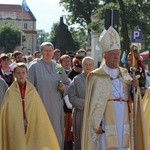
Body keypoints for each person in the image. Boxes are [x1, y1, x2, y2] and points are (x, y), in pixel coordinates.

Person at [81, 26, 147, 150]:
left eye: (117, 54)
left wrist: (135, 87)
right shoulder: (96, 76)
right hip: (106, 118)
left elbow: (133, 97)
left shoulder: (125, 73)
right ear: (105, 56)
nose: (116, 57)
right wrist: (97, 123)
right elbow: (94, 104)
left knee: (123, 145)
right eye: (113, 54)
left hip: (124, 117)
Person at [0, 62, 60, 150]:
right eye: (18, 73)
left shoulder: (32, 91)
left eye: (23, 72)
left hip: (31, 122)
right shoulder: (10, 92)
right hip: (15, 124)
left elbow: (38, 110)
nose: (21, 75)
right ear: (14, 75)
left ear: (27, 74)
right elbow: (7, 111)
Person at [28, 42, 70, 150]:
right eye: (45, 50)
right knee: (42, 134)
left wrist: (64, 88)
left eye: (50, 50)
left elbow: (67, 83)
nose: (48, 53)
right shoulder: (34, 67)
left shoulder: (58, 67)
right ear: (41, 52)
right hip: (41, 106)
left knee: (57, 134)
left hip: (56, 107)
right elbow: (29, 88)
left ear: (53, 52)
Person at [68, 56, 94, 150]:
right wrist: (85, 103)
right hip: (81, 114)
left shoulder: (97, 79)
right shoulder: (77, 79)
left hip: (94, 114)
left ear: (93, 66)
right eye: (85, 64)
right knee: (80, 138)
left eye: (90, 64)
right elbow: (72, 97)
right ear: (82, 66)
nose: (88, 66)